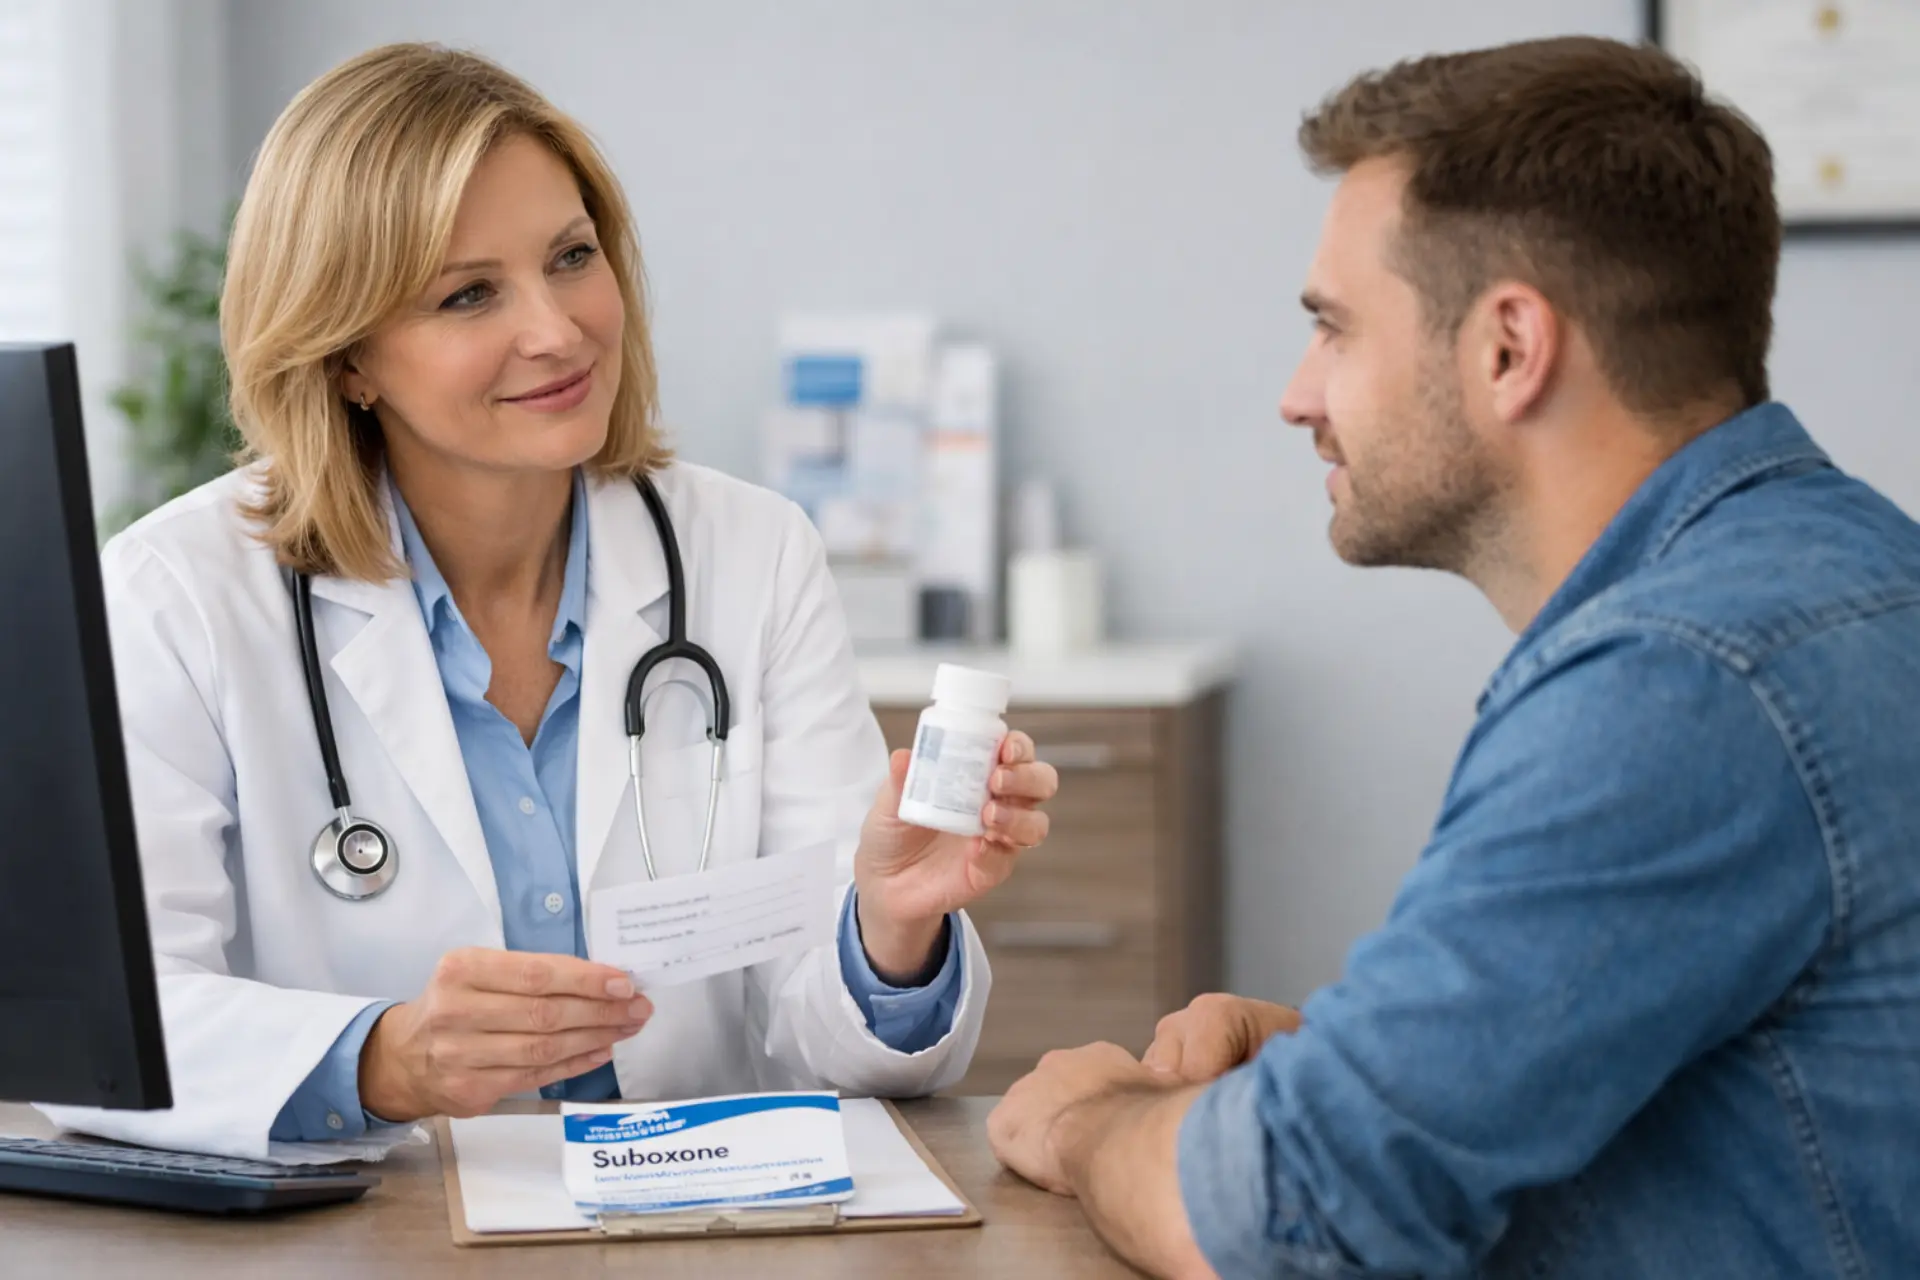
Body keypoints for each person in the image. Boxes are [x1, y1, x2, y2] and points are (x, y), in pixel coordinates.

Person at [988, 35, 1920, 1279]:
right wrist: (1355, 1060)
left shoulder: (1678, 684)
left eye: (1334, 329)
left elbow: (1284, 1222)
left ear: (1507, 348)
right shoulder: (1846, 570)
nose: (1298, 394)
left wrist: (1091, 1117)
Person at [41, 43, 1059, 1158]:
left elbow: (830, 1036)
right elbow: (113, 1035)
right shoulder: (174, 596)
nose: (558, 330)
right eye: (469, 292)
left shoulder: (749, 553)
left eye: (571, 257)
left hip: (706, 1221)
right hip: (371, 1238)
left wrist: (889, 928)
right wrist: (387, 1057)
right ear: (347, 360)